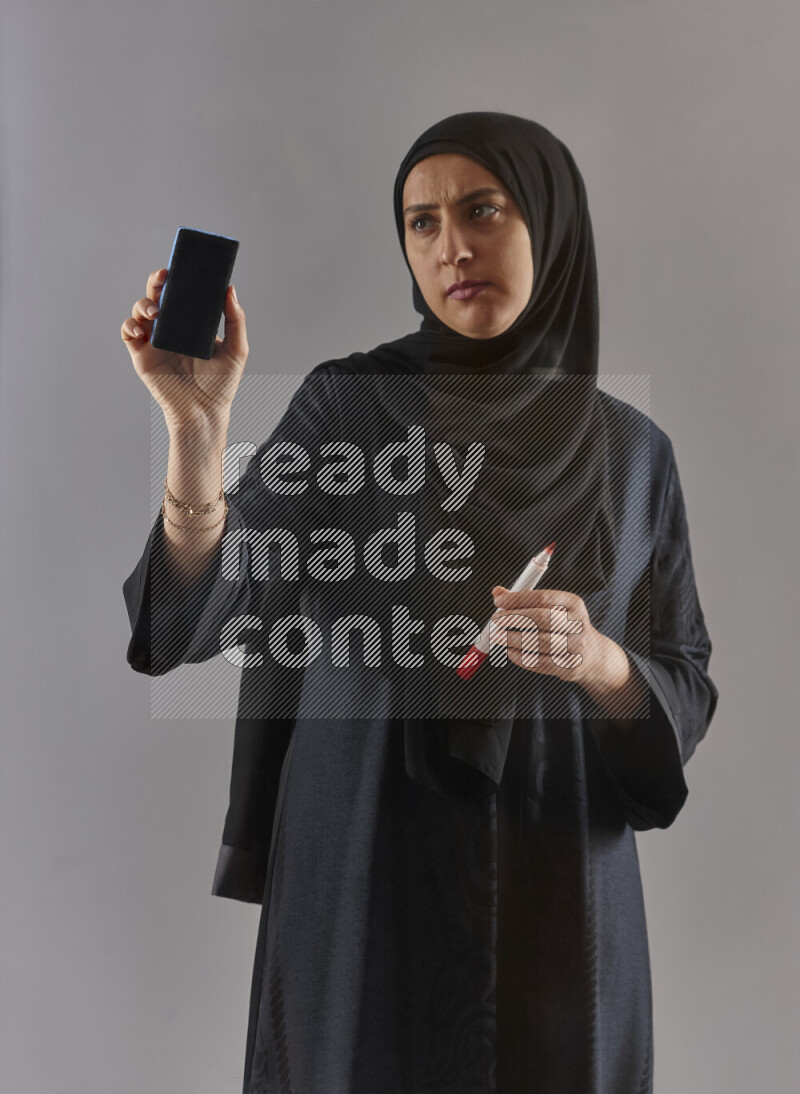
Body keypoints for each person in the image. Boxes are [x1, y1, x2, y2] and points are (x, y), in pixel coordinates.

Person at [121, 112, 718, 1094]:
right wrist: (197, 432)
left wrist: (601, 661)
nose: (451, 246)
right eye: (421, 221)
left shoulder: (631, 452)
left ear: (551, 226)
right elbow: (209, 601)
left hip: (556, 889)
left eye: (481, 210)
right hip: (363, 870)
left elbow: (682, 677)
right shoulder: (345, 408)